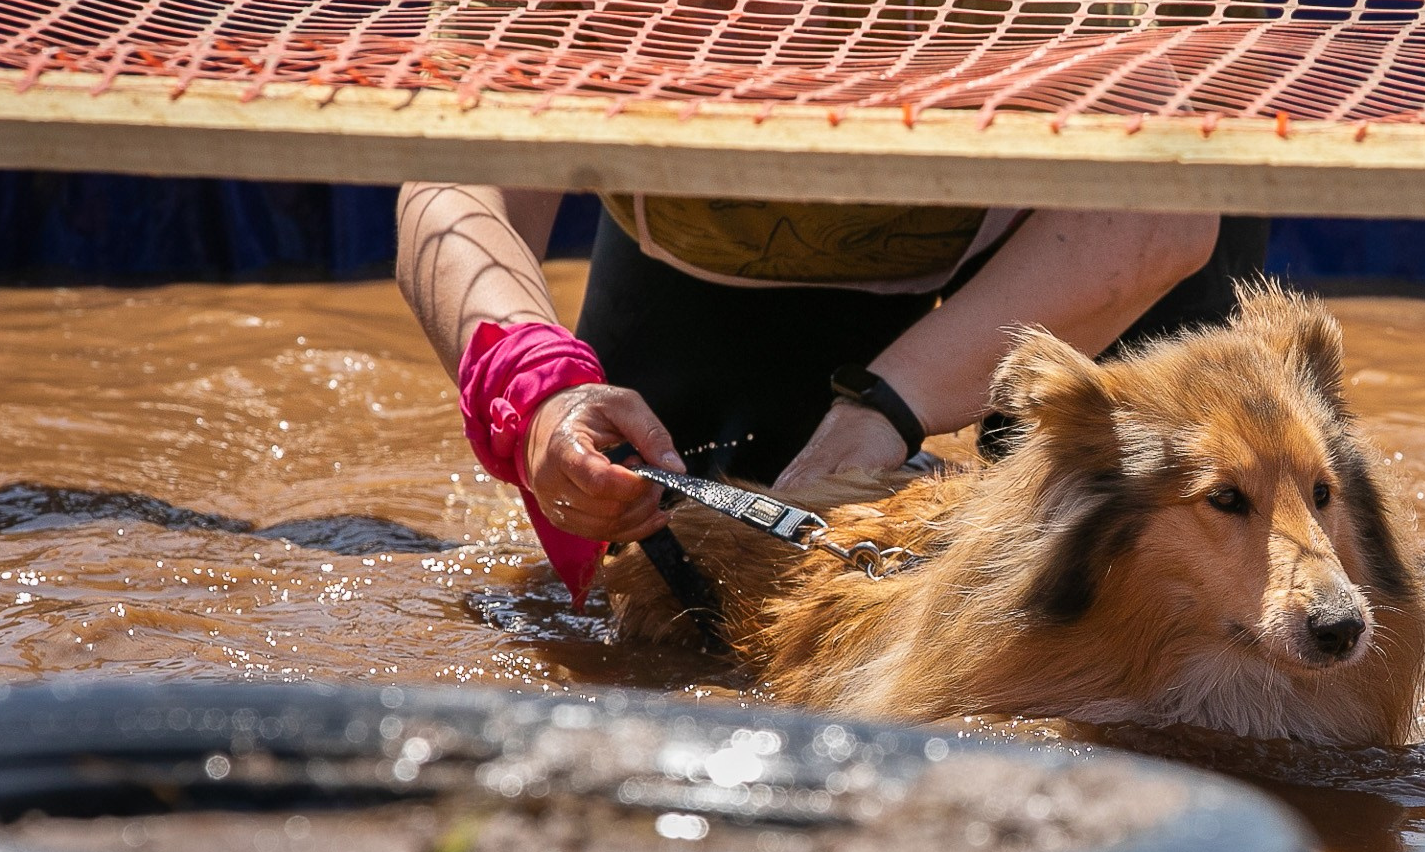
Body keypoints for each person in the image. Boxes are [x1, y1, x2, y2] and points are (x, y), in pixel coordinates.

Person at [397, 181, 1264, 590]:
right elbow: (451, 190)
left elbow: (1163, 211)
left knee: (1149, 585)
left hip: (1091, 210)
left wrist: (888, 406)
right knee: (681, 581)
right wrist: (537, 393)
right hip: (717, 222)